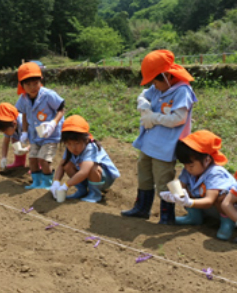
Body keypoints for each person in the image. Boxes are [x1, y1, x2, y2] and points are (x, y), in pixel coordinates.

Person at [121, 50, 198, 224]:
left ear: (167, 76)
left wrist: (153, 117)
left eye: (155, 80)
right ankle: (141, 208)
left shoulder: (182, 91)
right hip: (149, 142)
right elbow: (143, 95)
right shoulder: (157, 87)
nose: (153, 85)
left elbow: (179, 118)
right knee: (144, 174)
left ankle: (167, 216)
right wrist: (144, 105)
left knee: (165, 180)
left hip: (166, 145)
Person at [160, 131, 236, 240]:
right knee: (183, 189)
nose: (187, 168)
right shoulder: (189, 170)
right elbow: (181, 186)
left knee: (221, 196)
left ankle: (227, 223)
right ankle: (194, 217)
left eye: (191, 165)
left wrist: (189, 202)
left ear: (207, 160)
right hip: (208, 208)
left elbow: (209, 201)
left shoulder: (215, 173)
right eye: (184, 164)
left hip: (229, 210)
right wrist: (174, 194)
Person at [15, 62, 64, 189]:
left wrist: (53, 124)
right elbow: (25, 115)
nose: (32, 87)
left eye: (35, 83)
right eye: (28, 84)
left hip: (50, 136)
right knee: (32, 159)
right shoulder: (23, 99)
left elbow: (61, 109)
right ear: (22, 85)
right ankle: (36, 182)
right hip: (34, 136)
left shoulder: (48, 95)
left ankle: (47, 183)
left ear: (40, 81)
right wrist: (24, 132)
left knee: (43, 160)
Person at [50, 115, 120, 203]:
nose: (73, 147)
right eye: (69, 144)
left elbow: (84, 172)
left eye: (77, 143)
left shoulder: (91, 148)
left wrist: (66, 185)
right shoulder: (70, 148)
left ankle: (95, 194)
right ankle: (82, 190)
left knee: (92, 167)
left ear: (86, 139)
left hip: (104, 179)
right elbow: (61, 165)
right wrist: (56, 182)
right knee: (67, 165)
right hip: (87, 177)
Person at [0, 102, 29, 169]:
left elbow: (37, 141)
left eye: (5, 130)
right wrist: (4, 158)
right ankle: (19, 162)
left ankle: (39, 166)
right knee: (14, 138)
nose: (5, 133)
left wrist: (27, 149)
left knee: (37, 149)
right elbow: (5, 142)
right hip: (25, 136)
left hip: (42, 137)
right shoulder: (9, 125)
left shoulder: (24, 123)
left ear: (14, 123)